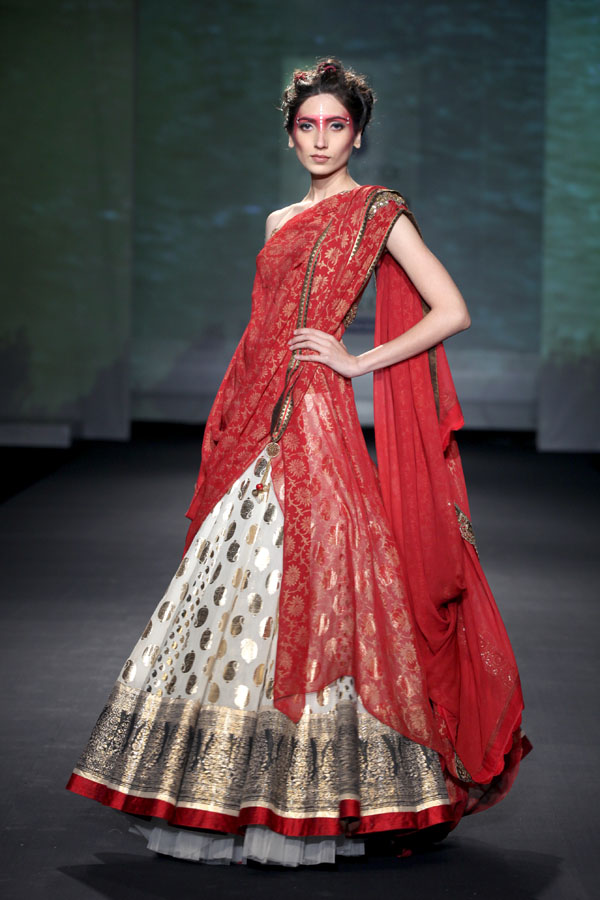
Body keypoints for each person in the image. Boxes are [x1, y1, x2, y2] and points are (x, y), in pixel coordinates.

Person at [65, 58, 531, 867]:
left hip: (316, 417)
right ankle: (225, 789)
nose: (321, 139)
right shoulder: (280, 219)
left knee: (317, 582)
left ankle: (324, 797)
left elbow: (452, 309)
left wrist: (359, 361)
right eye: (308, 126)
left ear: (358, 135)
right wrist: (232, 414)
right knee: (237, 582)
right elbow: (261, 330)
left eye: (336, 126)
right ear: (289, 136)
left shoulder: (378, 211)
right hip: (257, 412)